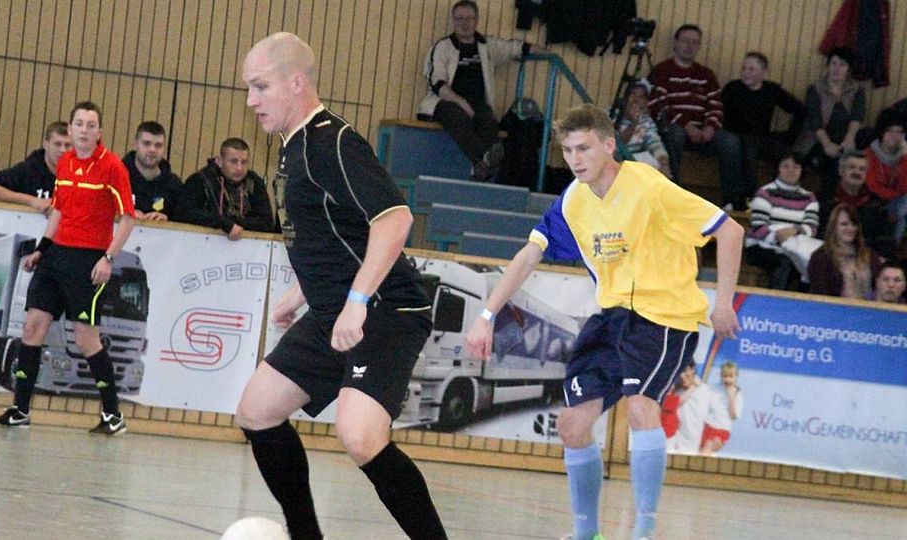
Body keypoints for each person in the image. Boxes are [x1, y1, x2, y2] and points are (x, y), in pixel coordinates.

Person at [464, 104, 743, 540]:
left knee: (642, 408)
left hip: (663, 316)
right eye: (568, 150)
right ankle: (586, 534)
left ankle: (643, 532)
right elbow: (529, 256)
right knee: (571, 425)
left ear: (610, 145)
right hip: (613, 318)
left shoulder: (648, 186)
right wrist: (486, 316)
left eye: (584, 148)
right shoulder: (573, 201)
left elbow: (730, 230)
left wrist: (723, 302)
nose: (575, 159)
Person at [236, 32, 448, 540]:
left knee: (360, 434)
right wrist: (305, 292)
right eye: (248, 88)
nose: (251, 101)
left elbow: (394, 219)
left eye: (260, 87)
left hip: (386, 309)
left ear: (296, 82)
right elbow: (338, 231)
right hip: (335, 311)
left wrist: (356, 301)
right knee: (257, 411)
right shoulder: (293, 147)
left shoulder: (332, 142)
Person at [0, 101, 135, 435]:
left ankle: (112, 415)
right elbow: (59, 210)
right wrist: (42, 249)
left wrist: (108, 258)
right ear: (70, 129)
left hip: (88, 261)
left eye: (91, 125)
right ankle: (20, 409)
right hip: (55, 257)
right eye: (79, 124)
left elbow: (128, 218)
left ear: (99, 131)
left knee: (86, 338)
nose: (84, 130)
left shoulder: (112, 166)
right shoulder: (66, 162)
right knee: (32, 327)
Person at [418, 0, 546, 181]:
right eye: (460, 18)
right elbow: (437, 83)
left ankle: (481, 167)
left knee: (489, 123)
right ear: (453, 21)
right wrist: (461, 102)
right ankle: (483, 163)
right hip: (445, 102)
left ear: (476, 20)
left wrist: (544, 52)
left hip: (478, 103)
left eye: (469, 18)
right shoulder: (442, 47)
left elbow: (515, 48)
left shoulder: (487, 46)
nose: (464, 23)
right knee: (459, 118)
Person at [648, 24, 744, 210]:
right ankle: (672, 192)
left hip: (703, 130)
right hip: (675, 128)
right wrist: (686, 126)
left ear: (699, 46)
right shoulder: (661, 70)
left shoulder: (706, 74)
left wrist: (710, 126)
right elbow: (659, 106)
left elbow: (716, 104)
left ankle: (732, 200)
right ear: (675, 43)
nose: (689, 46)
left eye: (694, 42)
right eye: (685, 41)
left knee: (730, 141)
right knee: (675, 134)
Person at [721, 52, 806, 192]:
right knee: (749, 149)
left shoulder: (771, 90)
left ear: (764, 73)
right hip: (736, 138)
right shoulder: (732, 88)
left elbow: (800, 110)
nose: (746, 72)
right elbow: (718, 113)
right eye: (744, 68)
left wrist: (789, 136)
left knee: (788, 155)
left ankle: (779, 194)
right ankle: (748, 196)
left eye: (751, 69)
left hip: (762, 138)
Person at [795, 47, 865, 199]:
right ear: (828, 65)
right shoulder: (815, 89)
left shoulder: (857, 89)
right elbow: (815, 121)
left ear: (849, 69)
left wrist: (849, 139)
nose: (837, 68)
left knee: (853, 154)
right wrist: (827, 144)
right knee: (833, 161)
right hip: (819, 138)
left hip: (846, 137)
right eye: (833, 63)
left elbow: (857, 116)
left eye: (842, 64)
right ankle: (826, 200)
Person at [744, 153, 820, 289]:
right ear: (778, 169)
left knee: (814, 264)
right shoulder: (765, 193)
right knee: (785, 262)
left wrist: (795, 230)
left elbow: (811, 228)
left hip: (795, 246)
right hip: (762, 245)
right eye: (786, 166)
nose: (791, 170)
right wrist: (778, 237)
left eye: (796, 167)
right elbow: (758, 227)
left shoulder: (809, 198)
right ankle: (775, 298)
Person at [179, 138, 276, 239]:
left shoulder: (254, 182)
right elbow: (184, 213)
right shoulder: (201, 180)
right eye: (233, 161)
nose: (239, 168)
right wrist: (222, 223)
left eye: (244, 162)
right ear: (219, 161)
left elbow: (267, 223)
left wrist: (232, 223)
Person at [0, 121, 72, 213]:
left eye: (67, 145)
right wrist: (33, 201)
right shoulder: (29, 170)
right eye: (57, 144)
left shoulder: (77, 173)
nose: (63, 150)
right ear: (45, 145)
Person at [819, 151, 895, 256]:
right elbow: (819, 233)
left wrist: (880, 258)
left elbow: (884, 238)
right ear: (841, 171)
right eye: (852, 167)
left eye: (862, 169)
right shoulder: (824, 199)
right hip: (829, 255)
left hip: (864, 257)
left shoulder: (876, 203)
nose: (857, 172)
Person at [808, 204, 881, 299]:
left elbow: (879, 288)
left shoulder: (870, 255)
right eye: (844, 224)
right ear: (833, 227)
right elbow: (820, 293)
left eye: (854, 224)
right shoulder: (820, 257)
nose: (850, 228)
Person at [122, 121, 182, 221]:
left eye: (158, 145)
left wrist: (167, 219)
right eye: (146, 143)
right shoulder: (115, 176)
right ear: (135, 145)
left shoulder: (174, 185)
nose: (152, 150)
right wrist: (122, 214)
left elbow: (183, 218)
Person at [864, 108, 907, 247]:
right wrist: (896, 197)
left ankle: (890, 251)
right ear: (881, 132)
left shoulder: (904, 156)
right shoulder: (869, 154)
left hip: (898, 204)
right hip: (874, 201)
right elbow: (872, 187)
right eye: (890, 131)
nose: (895, 136)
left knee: (903, 210)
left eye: (900, 131)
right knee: (902, 211)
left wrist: (905, 158)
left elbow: (905, 188)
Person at [617, 80, 671, 177]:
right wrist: (634, 123)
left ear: (645, 102)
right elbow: (619, 144)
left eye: (641, 97)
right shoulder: (612, 115)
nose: (635, 100)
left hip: (635, 159)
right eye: (632, 94)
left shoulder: (646, 121)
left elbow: (654, 142)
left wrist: (663, 162)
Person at [700, 361, 743, 456]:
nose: (728, 380)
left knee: (707, 448)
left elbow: (733, 416)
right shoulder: (713, 388)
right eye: (725, 376)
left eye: (731, 376)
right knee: (700, 450)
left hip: (722, 429)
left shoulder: (738, 394)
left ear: (736, 377)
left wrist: (731, 398)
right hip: (707, 424)